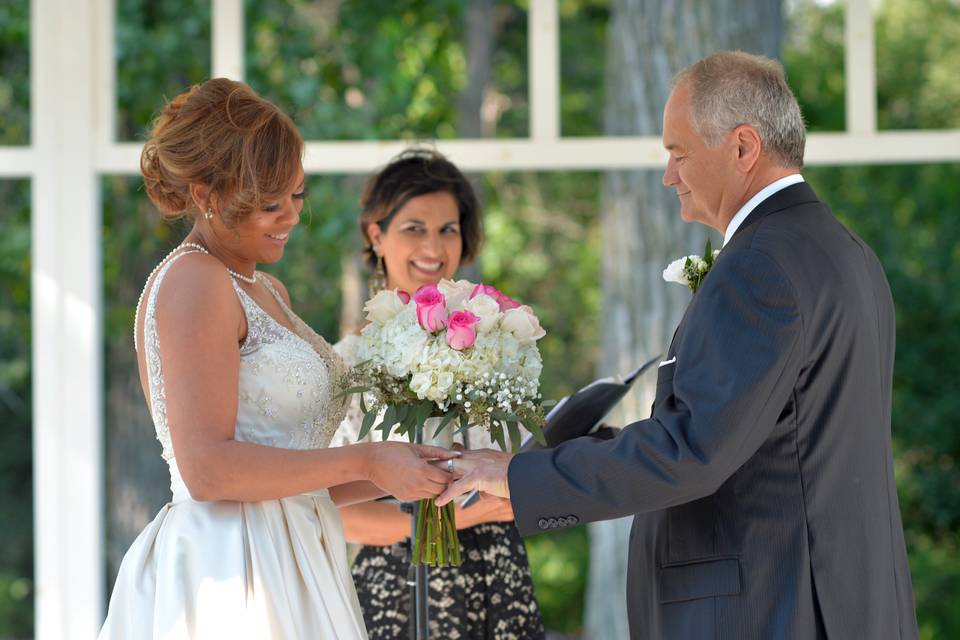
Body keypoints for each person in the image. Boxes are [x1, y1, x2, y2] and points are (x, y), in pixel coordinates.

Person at [438, 51, 919, 639]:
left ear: (743, 147)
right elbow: (764, 435)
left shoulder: (760, 265)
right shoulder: (847, 254)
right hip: (844, 603)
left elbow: (692, 451)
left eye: (678, 152)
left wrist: (518, 476)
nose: (668, 175)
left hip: (769, 609)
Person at [98, 79, 457, 639]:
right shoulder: (195, 280)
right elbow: (209, 470)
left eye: (296, 195)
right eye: (269, 204)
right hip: (232, 572)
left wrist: (405, 466)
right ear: (205, 196)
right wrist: (364, 460)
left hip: (299, 552)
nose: (290, 216)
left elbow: (294, 476)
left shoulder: (265, 288)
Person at [330, 148, 546, 639]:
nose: (434, 246)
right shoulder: (346, 364)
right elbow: (338, 515)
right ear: (375, 234)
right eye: (414, 227)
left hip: (497, 574)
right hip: (399, 585)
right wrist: (464, 520)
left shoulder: (494, 344)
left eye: (448, 228)